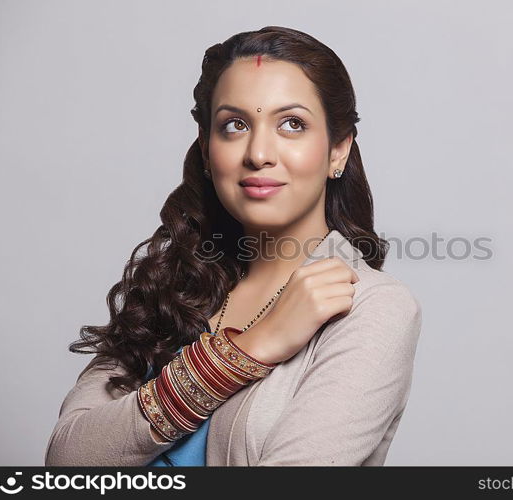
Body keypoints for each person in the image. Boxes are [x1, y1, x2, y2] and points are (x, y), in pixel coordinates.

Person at [44, 26, 422, 467]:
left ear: (338, 151)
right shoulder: (172, 286)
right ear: (206, 149)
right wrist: (246, 351)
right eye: (235, 125)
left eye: (292, 124)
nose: (259, 153)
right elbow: (67, 461)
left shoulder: (371, 309)